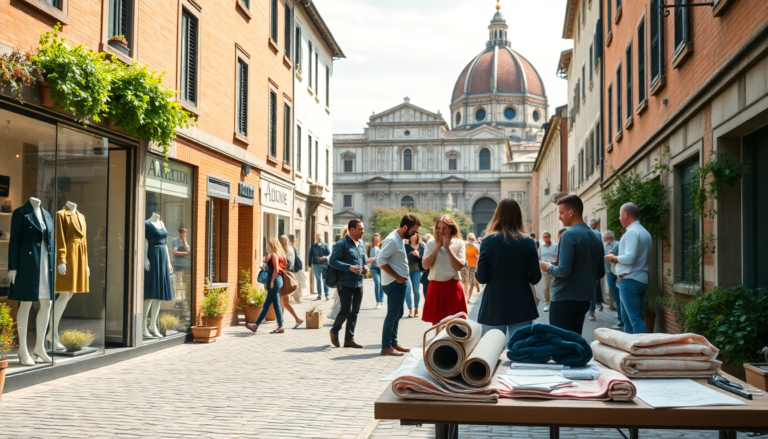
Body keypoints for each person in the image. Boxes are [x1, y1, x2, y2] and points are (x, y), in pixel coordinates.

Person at [539, 195, 605, 336]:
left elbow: (563, 271)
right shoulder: (595, 237)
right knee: (575, 343)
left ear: (571, 212)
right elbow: (599, 271)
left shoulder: (568, 235)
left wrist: (548, 267)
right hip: (584, 299)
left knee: (560, 346)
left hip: (564, 298)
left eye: (561, 213)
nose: (559, 217)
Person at [476, 199, 541, 338]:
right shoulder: (529, 242)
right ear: (518, 216)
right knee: (519, 351)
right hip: (522, 304)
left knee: (490, 351)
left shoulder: (488, 241)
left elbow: (481, 277)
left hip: (494, 304)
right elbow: (536, 277)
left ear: (497, 216)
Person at [604, 203, 652, 334]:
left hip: (630, 280)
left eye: (620, 215)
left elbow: (630, 258)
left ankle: (641, 351)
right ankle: (632, 350)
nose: (619, 218)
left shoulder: (631, 232)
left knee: (635, 320)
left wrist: (612, 258)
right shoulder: (644, 232)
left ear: (625, 214)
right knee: (630, 319)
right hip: (639, 279)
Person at [378, 214, 422, 356]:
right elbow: (380, 260)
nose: (415, 234)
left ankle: (393, 342)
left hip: (398, 283)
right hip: (394, 283)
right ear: (405, 227)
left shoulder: (399, 239)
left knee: (398, 313)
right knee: (392, 314)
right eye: (413, 231)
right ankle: (386, 346)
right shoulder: (392, 240)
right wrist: (397, 277)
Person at [421, 214, 468, 324]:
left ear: (451, 228)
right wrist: (438, 247)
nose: (441, 231)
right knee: (437, 325)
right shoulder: (431, 243)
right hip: (436, 288)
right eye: (438, 228)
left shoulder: (459, 243)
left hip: (453, 287)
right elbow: (425, 265)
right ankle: (438, 341)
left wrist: (447, 248)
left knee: (454, 325)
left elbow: (459, 266)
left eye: (444, 228)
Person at [328, 220, 367, 348]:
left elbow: (363, 261)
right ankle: (334, 330)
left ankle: (349, 339)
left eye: (363, 229)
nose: (363, 231)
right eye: (360, 229)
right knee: (346, 310)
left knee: (355, 311)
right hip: (345, 282)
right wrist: (349, 267)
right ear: (352, 230)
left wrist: (365, 268)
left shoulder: (361, 245)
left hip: (358, 283)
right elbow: (332, 262)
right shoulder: (342, 244)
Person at [246, 238, 286, 334]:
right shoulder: (274, 255)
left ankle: (256, 325)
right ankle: (280, 326)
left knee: (266, 304)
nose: (266, 246)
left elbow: (276, 269)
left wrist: (272, 281)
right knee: (276, 305)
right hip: (276, 280)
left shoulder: (274, 255)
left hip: (275, 281)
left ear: (272, 245)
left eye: (268, 244)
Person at [279, 235, 304, 328]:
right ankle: (280, 319)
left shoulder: (284, 251)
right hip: (289, 274)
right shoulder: (292, 250)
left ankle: (297, 319)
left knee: (284, 301)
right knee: (282, 300)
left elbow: (285, 264)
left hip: (283, 276)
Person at [602, 230, 623, 330]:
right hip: (609, 273)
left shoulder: (617, 244)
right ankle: (620, 317)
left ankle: (621, 320)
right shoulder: (604, 246)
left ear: (609, 238)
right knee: (616, 296)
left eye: (605, 238)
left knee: (619, 296)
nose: (604, 240)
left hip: (617, 273)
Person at [404, 233, 425, 317]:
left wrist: (418, 255)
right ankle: (410, 310)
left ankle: (416, 308)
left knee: (416, 290)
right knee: (407, 290)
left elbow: (424, 258)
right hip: (407, 271)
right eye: (412, 233)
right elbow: (402, 257)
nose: (413, 234)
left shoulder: (421, 246)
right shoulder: (406, 246)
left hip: (417, 271)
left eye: (415, 233)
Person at [587, 218, 604, 319]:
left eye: (593, 224)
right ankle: (590, 311)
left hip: (593, 268)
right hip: (592, 268)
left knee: (592, 291)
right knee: (592, 291)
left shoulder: (596, 235)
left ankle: (591, 312)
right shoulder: (593, 234)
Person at [538, 231, 557, 312]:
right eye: (544, 237)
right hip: (544, 271)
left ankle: (553, 304)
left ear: (550, 237)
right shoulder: (541, 248)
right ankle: (547, 303)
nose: (545, 238)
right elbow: (538, 258)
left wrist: (551, 262)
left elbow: (559, 258)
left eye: (547, 237)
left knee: (553, 288)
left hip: (554, 269)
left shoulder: (556, 246)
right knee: (545, 288)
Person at [308, 233, 330, 301]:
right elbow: (310, 255)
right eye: (317, 238)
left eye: (319, 238)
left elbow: (329, 254)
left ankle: (326, 294)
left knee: (324, 280)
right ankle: (319, 295)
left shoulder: (325, 245)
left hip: (324, 264)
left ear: (321, 238)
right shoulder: (313, 246)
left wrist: (324, 258)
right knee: (318, 280)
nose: (318, 239)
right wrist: (309, 264)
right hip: (316, 264)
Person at [461, 233, 481, 303]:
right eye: (470, 239)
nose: (471, 241)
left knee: (471, 283)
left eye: (472, 240)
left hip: (473, 266)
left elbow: (478, 256)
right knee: (465, 282)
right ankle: (465, 296)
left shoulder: (476, 247)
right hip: (465, 265)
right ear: (467, 239)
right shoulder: (464, 245)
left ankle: (469, 298)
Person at [367, 233, 384, 309]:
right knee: (377, 283)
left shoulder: (382, 247)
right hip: (374, 268)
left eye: (377, 239)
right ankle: (378, 302)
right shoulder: (371, 247)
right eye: (375, 239)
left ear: (380, 239)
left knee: (382, 285)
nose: (376, 240)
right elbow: (370, 257)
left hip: (382, 268)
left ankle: (381, 301)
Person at [289, 235, 305, 302]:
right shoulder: (292, 248)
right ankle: (296, 297)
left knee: (296, 283)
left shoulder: (294, 248)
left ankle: (296, 297)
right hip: (294, 269)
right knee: (296, 283)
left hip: (296, 268)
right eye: (294, 240)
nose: (296, 241)